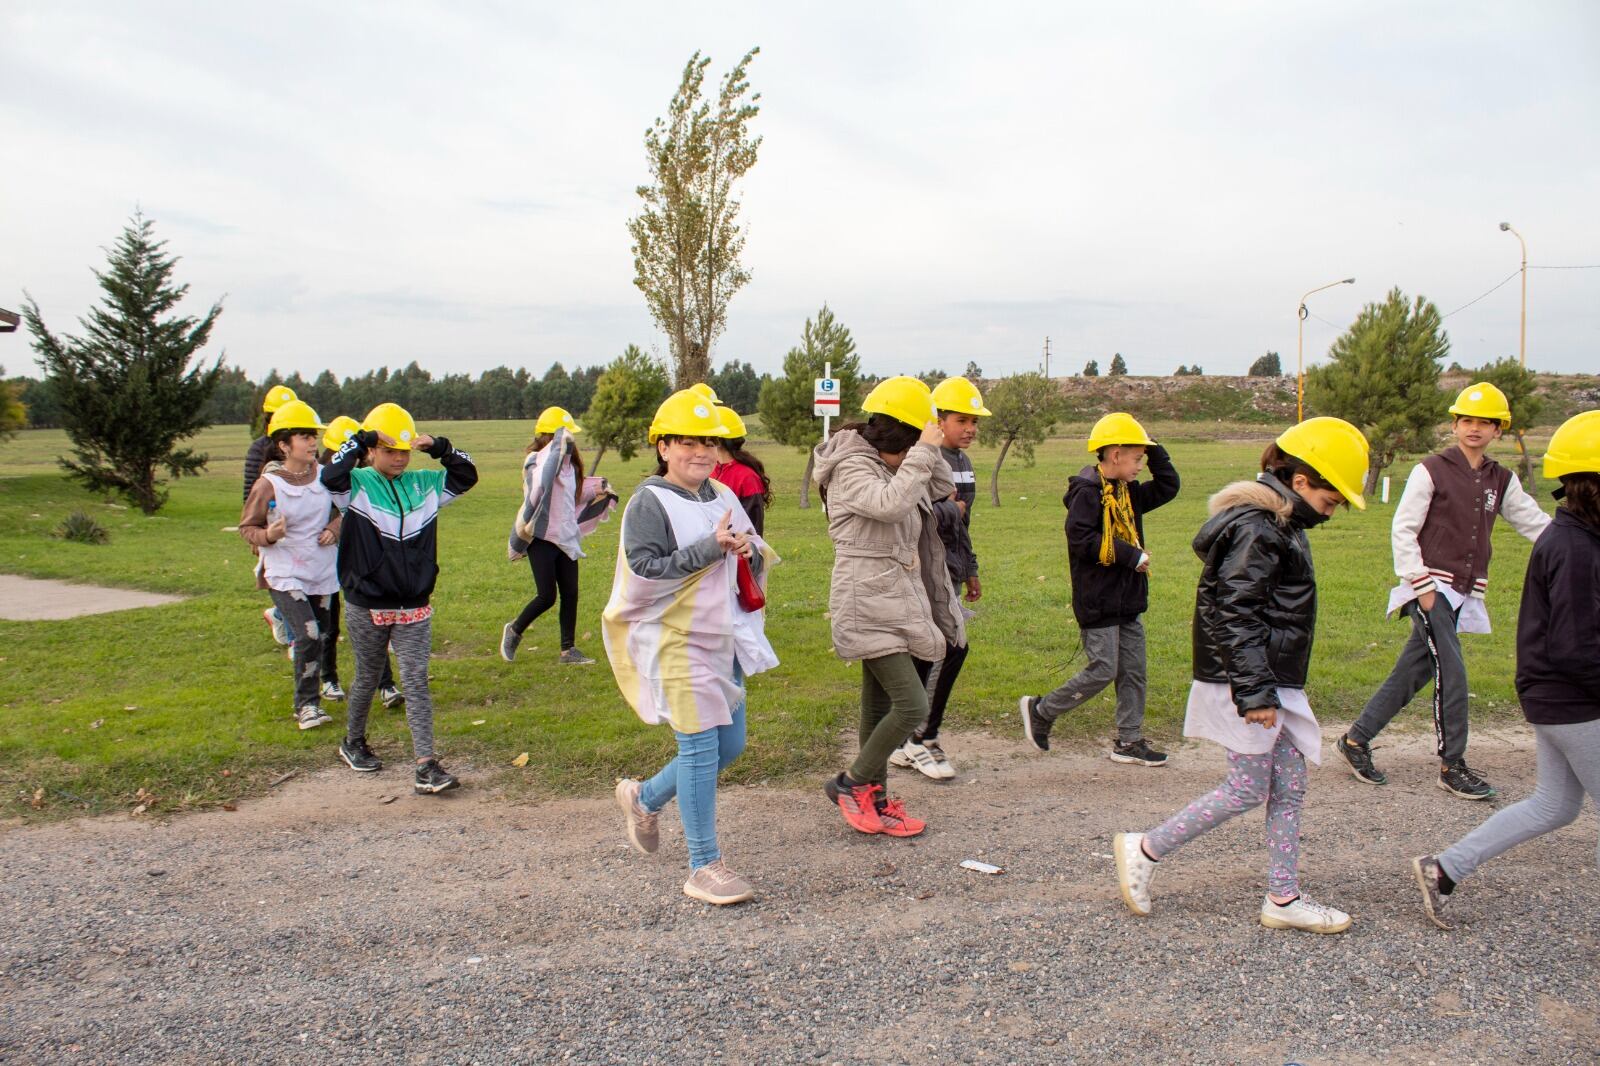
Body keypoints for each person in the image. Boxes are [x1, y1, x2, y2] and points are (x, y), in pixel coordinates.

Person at [1114, 417, 1369, 934]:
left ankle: (1282, 897)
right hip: (1247, 681)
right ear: (1301, 481)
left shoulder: (1281, 524)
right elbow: (1235, 612)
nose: (1334, 507)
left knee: (1290, 786)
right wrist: (1253, 691)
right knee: (1248, 789)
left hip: (1269, 678)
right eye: (1333, 495)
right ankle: (1144, 848)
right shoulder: (1260, 528)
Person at [1412, 410, 1600, 929]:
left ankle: (1443, 869)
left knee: (1555, 805)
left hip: (1554, 696)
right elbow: (1577, 647)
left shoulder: (1571, 538)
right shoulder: (1576, 550)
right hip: (1573, 699)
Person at [1337, 382, 1550, 800]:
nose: (1474, 428)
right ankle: (1453, 764)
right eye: (1467, 420)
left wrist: (1576, 538)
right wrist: (1422, 585)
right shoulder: (1430, 469)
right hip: (1430, 589)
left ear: (1498, 430)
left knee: (1412, 672)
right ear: (1455, 425)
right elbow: (1404, 527)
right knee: (1452, 673)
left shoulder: (1500, 479)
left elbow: (1533, 521)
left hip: (1463, 592)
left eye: (1485, 422)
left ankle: (1355, 740)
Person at [606, 390, 778, 906]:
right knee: (700, 746)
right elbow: (645, 571)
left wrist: (747, 548)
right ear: (663, 446)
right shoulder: (648, 502)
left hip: (722, 635)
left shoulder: (721, 495)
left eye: (708, 441)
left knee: (730, 747)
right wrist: (711, 550)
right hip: (673, 638)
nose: (700, 451)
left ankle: (644, 796)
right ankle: (704, 865)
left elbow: (751, 552)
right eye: (687, 441)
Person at [812, 375, 966, 836]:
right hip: (865, 597)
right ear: (901, 431)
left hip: (896, 594)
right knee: (913, 705)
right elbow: (889, 505)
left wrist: (927, 447)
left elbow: (939, 486)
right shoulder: (852, 466)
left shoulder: (899, 460)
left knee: (877, 707)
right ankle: (851, 783)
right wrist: (921, 449)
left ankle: (873, 803)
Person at [321, 402, 478, 794]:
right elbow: (330, 475)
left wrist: (440, 447)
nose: (399, 459)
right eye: (390, 450)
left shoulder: (424, 484)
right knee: (368, 676)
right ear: (373, 450)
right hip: (366, 603)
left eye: (404, 451)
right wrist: (360, 440)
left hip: (414, 604)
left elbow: (467, 474)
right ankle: (352, 741)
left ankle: (426, 765)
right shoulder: (355, 486)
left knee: (416, 680)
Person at [1019, 411, 1180, 765]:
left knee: (1134, 671)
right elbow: (1081, 539)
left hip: (1128, 600)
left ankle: (1128, 741)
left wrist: (1154, 448)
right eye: (1137, 458)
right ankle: (1043, 710)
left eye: (1143, 458)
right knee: (1104, 669)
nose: (1141, 466)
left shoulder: (1128, 494)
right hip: (1098, 599)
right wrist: (1130, 555)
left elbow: (1169, 486)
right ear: (1115, 454)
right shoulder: (1088, 494)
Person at [891, 375, 987, 780]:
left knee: (942, 650)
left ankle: (910, 739)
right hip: (923, 571)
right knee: (944, 649)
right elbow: (919, 517)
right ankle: (919, 739)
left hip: (951, 570)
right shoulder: (925, 456)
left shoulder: (962, 463)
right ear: (938, 420)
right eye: (961, 420)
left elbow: (962, 524)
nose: (970, 429)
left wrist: (970, 568)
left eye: (974, 422)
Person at [238, 400, 341, 731]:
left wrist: (333, 529)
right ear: (283, 444)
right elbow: (247, 528)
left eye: (313, 435)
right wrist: (269, 534)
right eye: (303, 436)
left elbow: (346, 511)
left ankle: (313, 696)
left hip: (322, 570)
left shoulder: (327, 477)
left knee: (322, 635)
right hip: (285, 573)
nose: (312, 442)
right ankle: (306, 706)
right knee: (308, 634)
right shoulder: (269, 484)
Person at [501, 406, 616, 665]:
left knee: (571, 593)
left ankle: (568, 651)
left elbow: (573, 493)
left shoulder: (569, 465)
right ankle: (515, 630)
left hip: (565, 537)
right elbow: (541, 482)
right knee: (546, 596)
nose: (569, 441)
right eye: (564, 436)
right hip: (540, 537)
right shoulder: (534, 462)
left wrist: (599, 487)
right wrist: (556, 449)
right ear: (549, 437)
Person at [315, 415, 401, 707]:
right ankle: (328, 678)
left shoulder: (363, 476)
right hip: (323, 560)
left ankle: (386, 684)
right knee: (330, 625)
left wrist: (334, 528)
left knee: (376, 623)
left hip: (359, 560)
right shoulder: (325, 475)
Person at [246, 384, 299, 647]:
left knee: (298, 581)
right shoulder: (260, 449)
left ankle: (279, 616)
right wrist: (257, 536)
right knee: (286, 582)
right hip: (271, 527)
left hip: (298, 528)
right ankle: (295, 641)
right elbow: (250, 493)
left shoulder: (299, 447)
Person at [709, 403, 772, 537]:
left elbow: (753, 532)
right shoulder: (708, 470)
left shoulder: (747, 477)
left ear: (718, 440)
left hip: (736, 554)